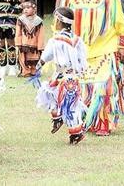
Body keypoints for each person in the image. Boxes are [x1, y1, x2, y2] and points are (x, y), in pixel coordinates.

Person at [60, 0, 124, 136]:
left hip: (105, 47)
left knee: (102, 87)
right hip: (79, 50)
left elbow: (121, 23)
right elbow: (62, 22)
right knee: (80, 87)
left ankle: (103, 122)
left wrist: (122, 46)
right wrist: (61, 44)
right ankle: (83, 119)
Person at [35, 7, 87, 144]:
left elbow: (47, 55)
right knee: (62, 100)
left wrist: (39, 64)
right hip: (71, 76)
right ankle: (59, 119)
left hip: (62, 76)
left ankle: (75, 132)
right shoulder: (77, 39)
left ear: (59, 21)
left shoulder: (56, 39)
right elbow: (82, 59)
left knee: (63, 101)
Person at [15, 0, 44, 77]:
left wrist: (40, 46)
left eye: (28, 8)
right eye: (24, 8)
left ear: (34, 9)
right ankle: (25, 71)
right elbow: (18, 32)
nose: (25, 10)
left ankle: (34, 71)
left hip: (34, 44)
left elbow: (40, 34)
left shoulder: (38, 21)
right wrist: (18, 43)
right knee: (23, 59)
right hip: (23, 44)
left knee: (34, 59)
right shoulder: (21, 20)